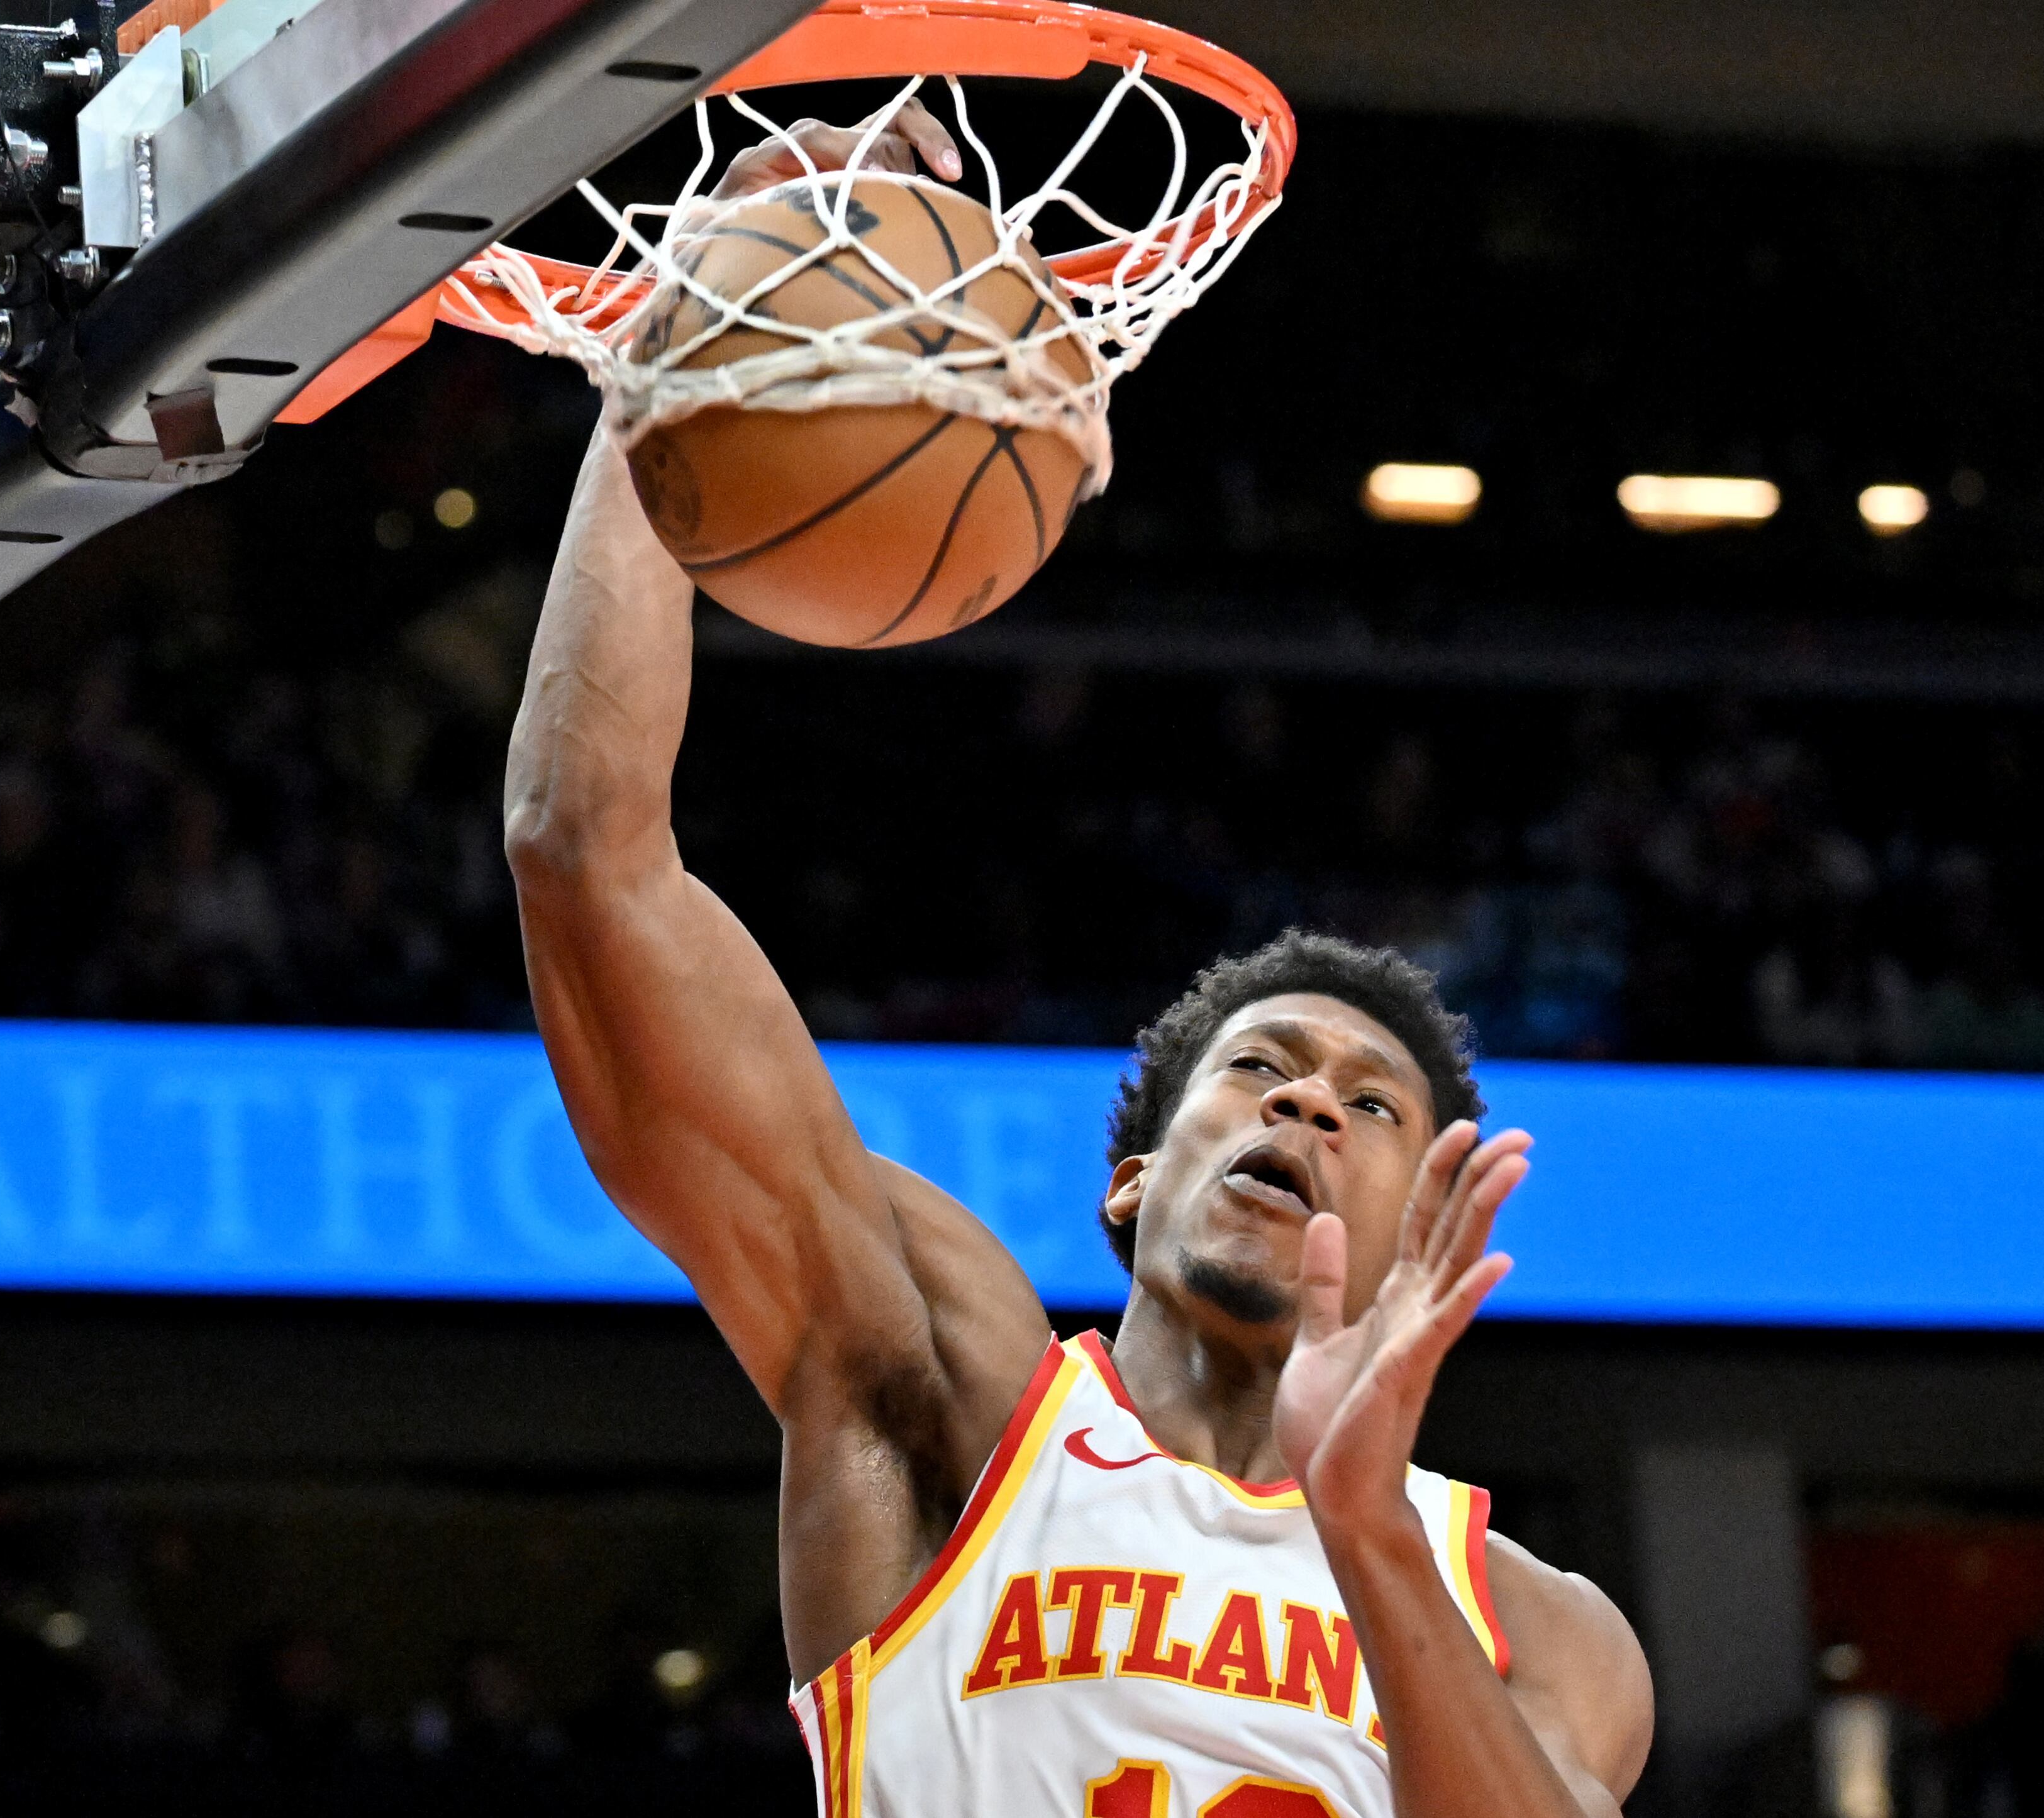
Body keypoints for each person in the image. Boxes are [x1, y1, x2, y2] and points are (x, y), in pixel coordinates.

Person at [503, 99, 1652, 1818]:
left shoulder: (1538, 1621)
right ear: (1130, 1183)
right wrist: (692, 337)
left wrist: (1364, 1535)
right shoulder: (948, 1395)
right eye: (1257, 1071)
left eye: (1367, 1100)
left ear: (1424, 1232)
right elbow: (585, 856)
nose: (1306, 1103)